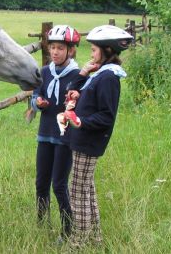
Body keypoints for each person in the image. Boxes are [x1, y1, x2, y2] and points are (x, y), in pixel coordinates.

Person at [60, 25, 133, 246]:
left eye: (93, 50)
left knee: (77, 192)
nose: (91, 54)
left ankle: (78, 242)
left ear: (107, 50)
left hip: (88, 141)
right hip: (83, 140)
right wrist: (81, 78)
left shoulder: (109, 78)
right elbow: (80, 94)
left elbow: (106, 116)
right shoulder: (100, 74)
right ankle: (95, 239)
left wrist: (81, 121)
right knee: (86, 189)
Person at [31, 25, 81, 240]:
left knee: (59, 184)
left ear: (70, 50)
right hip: (45, 134)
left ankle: (67, 230)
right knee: (41, 182)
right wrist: (37, 103)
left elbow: (82, 105)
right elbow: (34, 97)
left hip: (65, 138)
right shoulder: (44, 72)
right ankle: (42, 222)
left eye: (60, 48)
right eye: (52, 47)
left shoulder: (79, 75)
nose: (54, 52)